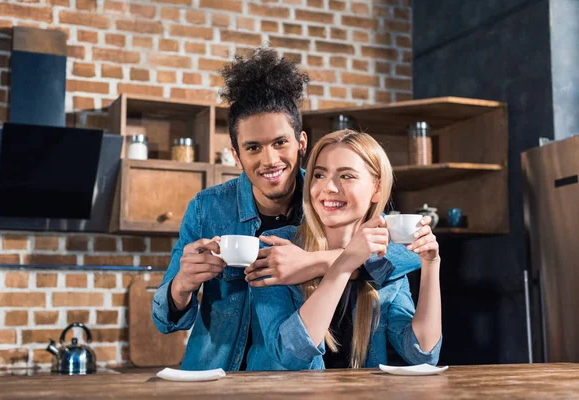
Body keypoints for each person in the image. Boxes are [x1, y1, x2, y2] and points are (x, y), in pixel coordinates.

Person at [151, 48, 422, 371]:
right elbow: (165, 321)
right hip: (215, 377)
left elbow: (402, 256)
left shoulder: (328, 200)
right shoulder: (206, 209)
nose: (269, 160)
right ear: (236, 156)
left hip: (294, 378)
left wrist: (310, 262)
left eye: (280, 143)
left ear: (301, 143)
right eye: (253, 148)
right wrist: (182, 284)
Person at [252, 130, 442, 370]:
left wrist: (431, 266)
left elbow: (422, 354)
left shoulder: (386, 257)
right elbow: (289, 355)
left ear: (377, 189)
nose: (329, 187)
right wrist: (344, 263)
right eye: (319, 175)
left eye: (347, 176)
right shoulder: (275, 246)